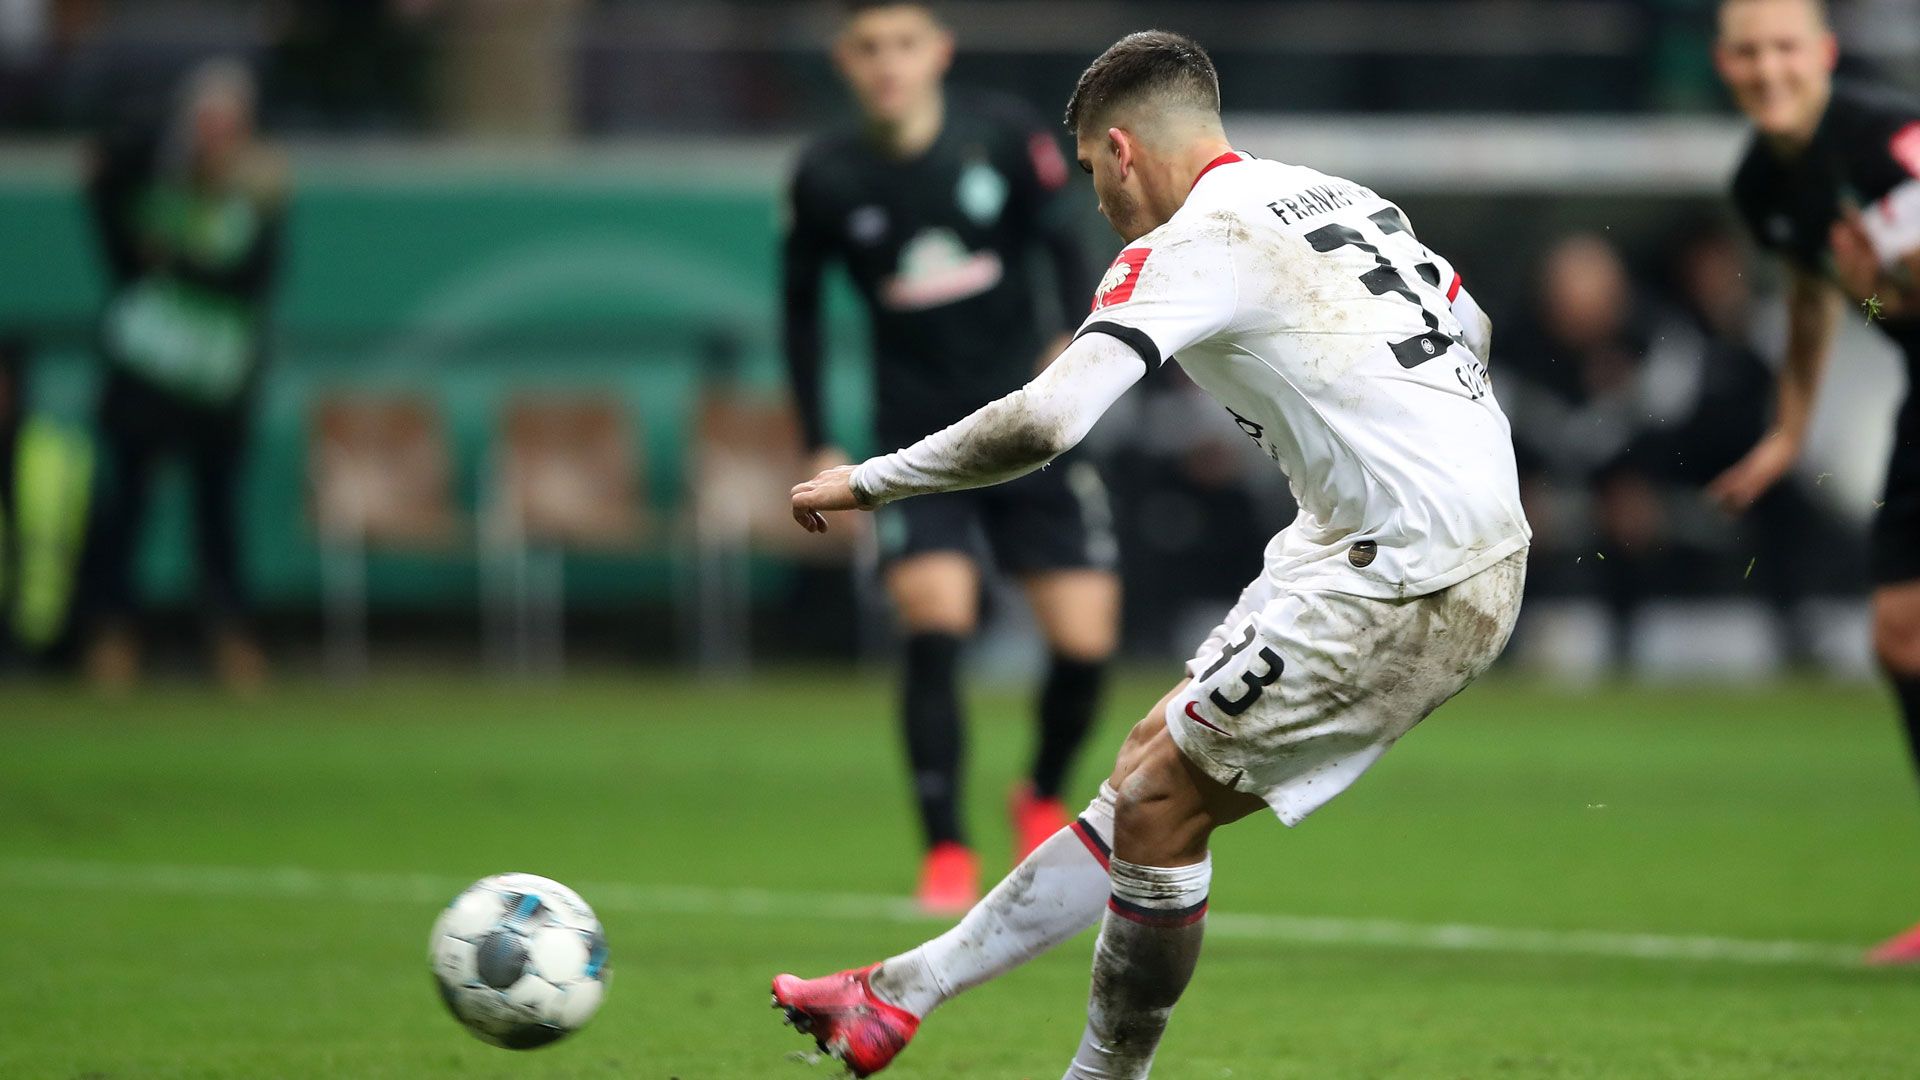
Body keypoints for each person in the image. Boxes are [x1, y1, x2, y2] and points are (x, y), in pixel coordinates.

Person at [774, 30, 1530, 1077]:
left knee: (1164, 808)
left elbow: (1046, 423)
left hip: (1402, 565)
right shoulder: (1340, 198)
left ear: (1122, 150)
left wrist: (873, 480)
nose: (1094, 199)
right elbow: (1472, 329)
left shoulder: (1193, 241)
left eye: (1092, 172)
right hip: (1417, 538)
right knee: (1142, 778)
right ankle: (898, 995)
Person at [783, 0, 1118, 912]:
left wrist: (1071, 338)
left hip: (1024, 425)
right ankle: (946, 854)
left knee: (1086, 643)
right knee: (936, 627)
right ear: (844, 62)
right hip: (915, 440)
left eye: (903, 44)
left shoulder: (1001, 139)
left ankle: (1040, 789)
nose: (886, 63)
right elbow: (802, 313)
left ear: (938, 52)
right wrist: (817, 428)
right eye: (866, 47)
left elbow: (1063, 237)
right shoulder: (825, 175)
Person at [1708, 0, 1920, 963]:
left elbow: (1887, 284)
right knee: (1901, 633)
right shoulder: (1762, 181)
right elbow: (1815, 293)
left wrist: (1889, 286)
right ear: (1724, 63)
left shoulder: (1887, 137)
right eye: (1749, 51)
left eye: (1786, 47)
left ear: (1824, 53)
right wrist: (1788, 432)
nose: (1769, 67)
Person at [82, 59, 285, 693]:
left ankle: (231, 640)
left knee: (216, 520)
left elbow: (250, 282)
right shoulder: (153, 191)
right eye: (205, 122)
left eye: (227, 125)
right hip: (145, 380)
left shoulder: (253, 204)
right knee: (129, 514)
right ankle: (111, 637)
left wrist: (182, 251)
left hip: (215, 386)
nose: (214, 136)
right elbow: (109, 208)